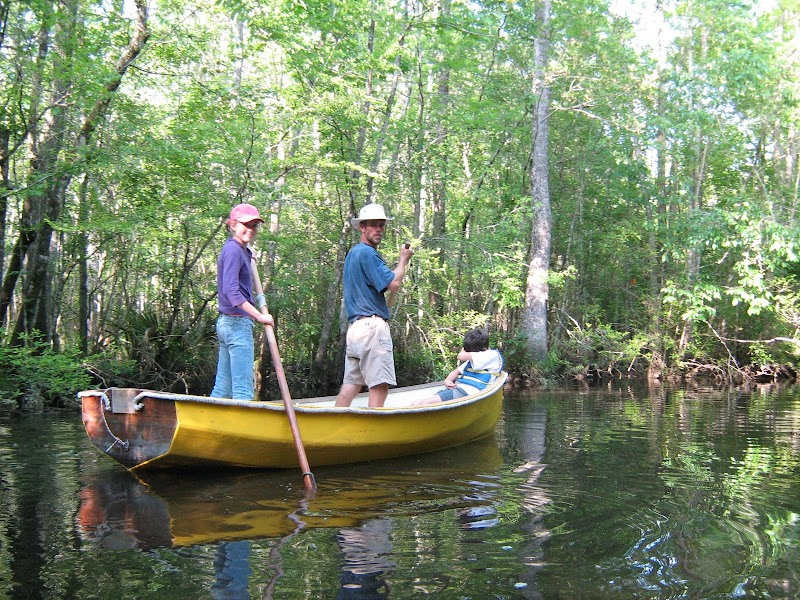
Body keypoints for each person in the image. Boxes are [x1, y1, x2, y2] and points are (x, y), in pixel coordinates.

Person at [335, 203, 414, 408]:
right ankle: (371, 435)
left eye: (381, 225)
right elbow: (394, 283)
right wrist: (403, 260)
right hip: (371, 329)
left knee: (351, 386)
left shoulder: (353, 254)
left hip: (356, 331)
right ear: (362, 227)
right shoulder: (368, 253)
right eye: (373, 225)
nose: (378, 229)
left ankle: (332, 428)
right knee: (379, 385)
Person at [210, 203, 274, 401]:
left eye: (254, 225)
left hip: (228, 323)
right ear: (233, 226)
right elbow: (232, 292)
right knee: (243, 389)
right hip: (237, 324)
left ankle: (211, 423)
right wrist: (260, 316)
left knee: (224, 386)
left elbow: (239, 261)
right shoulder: (234, 251)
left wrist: (249, 254)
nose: (251, 229)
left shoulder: (238, 249)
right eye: (246, 224)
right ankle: (242, 430)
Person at [411, 328, 503, 406]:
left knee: (422, 403)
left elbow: (460, 356)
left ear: (483, 349)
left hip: (469, 393)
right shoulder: (474, 360)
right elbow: (455, 372)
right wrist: (448, 380)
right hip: (459, 389)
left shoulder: (491, 355)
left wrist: (465, 349)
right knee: (417, 403)